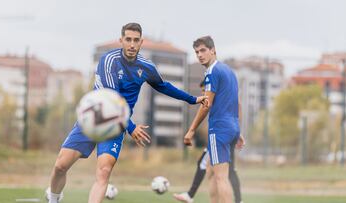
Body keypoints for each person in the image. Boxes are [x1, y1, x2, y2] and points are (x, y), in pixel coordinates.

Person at [46, 22, 207, 203]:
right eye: (128, 39)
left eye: (136, 40)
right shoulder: (109, 61)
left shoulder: (146, 67)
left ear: (141, 42)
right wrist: (131, 127)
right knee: (61, 165)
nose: (131, 44)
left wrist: (192, 99)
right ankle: (53, 198)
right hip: (93, 118)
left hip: (116, 127)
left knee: (104, 171)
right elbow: (112, 99)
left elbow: (163, 86)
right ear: (121, 40)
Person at [183, 36, 245, 203]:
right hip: (231, 127)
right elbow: (234, 102)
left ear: (213, 50)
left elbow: (206, 104)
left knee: (220, 178)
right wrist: (237, 130)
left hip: (219, 129)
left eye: (203, 50)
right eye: (197, 52)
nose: (200, 55)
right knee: (210, 171)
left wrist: (191, 129)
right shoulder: (230, 72)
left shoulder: (212, 71)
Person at [174, 81, 244, 203]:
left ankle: (190, 195)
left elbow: (238, 105)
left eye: (204, 90)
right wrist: (237, 131)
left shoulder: (217, 99)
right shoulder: (221, 99)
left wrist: (192, 130)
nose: (203, 93)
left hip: (220, 137)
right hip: (225, 135)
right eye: (202, 91)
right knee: (216, 171)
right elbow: (237, 106)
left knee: (218, 174)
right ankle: (238, 200)